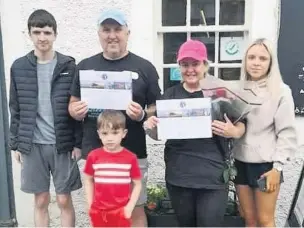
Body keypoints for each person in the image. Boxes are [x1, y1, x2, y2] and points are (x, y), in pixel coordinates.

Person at [68, 8, 161, 226]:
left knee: (135, 208)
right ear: (99, 34)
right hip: (95, 152)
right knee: (101, 208)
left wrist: (141, 115)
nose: (112, 35)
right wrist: (76, 110)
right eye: (106, 29)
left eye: (117, 29)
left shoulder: (145, 67)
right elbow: (71, 105)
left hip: (133, 151)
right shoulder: (85, 67)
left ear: (128, 32)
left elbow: (156, 107)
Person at [143, 39, 246, 227]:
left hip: (212, 177)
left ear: (205, 65)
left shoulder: (220, 94)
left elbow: (242, 125)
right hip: (179, 176)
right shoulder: (170, 95)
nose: (190, 69)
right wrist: (150, 126)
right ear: (179, 67)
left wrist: (233, 131)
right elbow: (158, 134)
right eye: (185, 64)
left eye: (195, 64)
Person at [9, 9, 82, 227]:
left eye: (47, 32)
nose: (42, 37)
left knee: (63, 199)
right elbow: (15, 107)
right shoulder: (19, 67)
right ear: (29, 34)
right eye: (37, 32)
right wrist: (16, 144)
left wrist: (78, 143)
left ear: (55, 34)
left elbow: (76, 107)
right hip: (33, 145)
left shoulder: (69, 66)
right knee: (40, 199)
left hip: (63, 143)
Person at [232, 38, 297, 227]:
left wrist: (278, 168)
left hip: (266, 167)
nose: (256, 62)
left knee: (265, 220)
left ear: (270, 63)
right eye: (251, 57)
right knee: (249, 219)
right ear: (245, 61)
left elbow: (287, 133)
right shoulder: (237, 90)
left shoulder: (281, 92)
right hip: (240, 163)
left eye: (262, 58)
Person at [83, 110, 142, 227]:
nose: (110, 138)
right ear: (99, 134)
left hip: (121, 212)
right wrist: (90, 204)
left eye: (115, 133)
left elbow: (138, 184)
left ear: (124, 133)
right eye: (105, 133)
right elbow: (88, 179)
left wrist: (129, 207)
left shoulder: (130, 158)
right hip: (99, 212)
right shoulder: (93, 156)